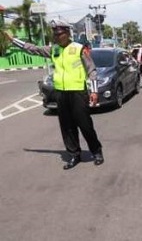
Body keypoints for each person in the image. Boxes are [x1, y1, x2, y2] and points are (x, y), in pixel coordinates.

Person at [3, 20, 104, 170]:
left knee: (85, 125)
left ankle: (96, 152)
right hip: (61, 94)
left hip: (78, 92)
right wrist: (13, 41)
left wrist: (94, 91)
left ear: (67, 34)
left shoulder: (78, 48)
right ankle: (74, 154)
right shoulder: (54, 49)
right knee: (67, 127)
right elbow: (33, 49)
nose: (57, 37)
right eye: (55, 34)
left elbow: (92, 70)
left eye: (60, 34)